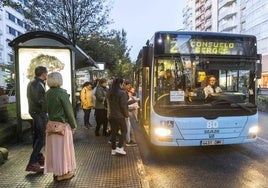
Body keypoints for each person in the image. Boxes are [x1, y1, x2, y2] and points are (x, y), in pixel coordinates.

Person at [44, 72, 77, 181]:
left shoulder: (47, 93)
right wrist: (73, 125)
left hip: (51, 126)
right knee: (63, 150)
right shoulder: (62, 93)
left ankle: (57, 172)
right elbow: (69, 111)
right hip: (62, 126)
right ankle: (63, 174)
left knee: (55, 151)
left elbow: (45, 109)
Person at [26, 66, 48, 173]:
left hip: (37, 112)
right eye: (46, 73)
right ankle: (32, 163)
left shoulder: (37, 83)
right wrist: (48, 104)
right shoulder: (36, 84)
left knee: (37, 135)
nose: (47, 74)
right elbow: (38, 101)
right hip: (38, 113)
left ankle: (38, 157)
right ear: (43, 73)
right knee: (41, 136)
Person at [107, 78, 129, 155]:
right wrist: (126, 115)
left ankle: (113, 150)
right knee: (124, 131)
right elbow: (123, 106)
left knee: (113, 132)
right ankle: (119, 147)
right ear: (120, 84)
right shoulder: (122, 93)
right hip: (119, 116)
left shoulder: (109, 92)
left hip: (111, 115)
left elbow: (105, 104)